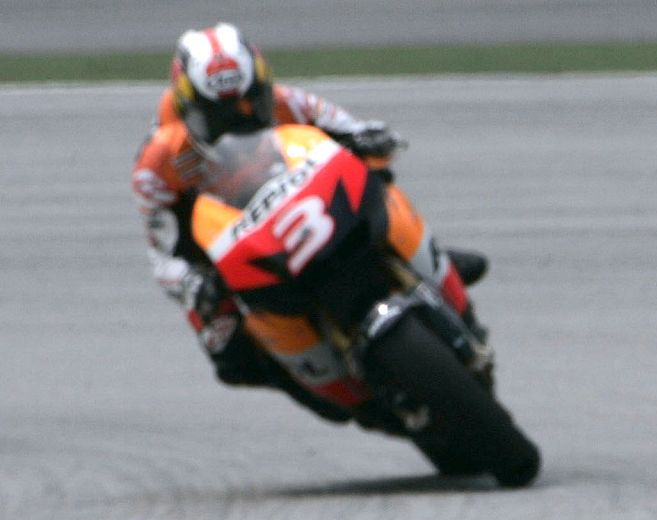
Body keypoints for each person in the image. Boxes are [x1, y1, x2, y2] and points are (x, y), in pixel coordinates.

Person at [131, 22, 489, 420]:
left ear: (264, 87)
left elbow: (352, 131)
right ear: (188, 110)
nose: (242, 117)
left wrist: (372, 138)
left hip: (307, 205)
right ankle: (309, 382)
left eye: (252, 103)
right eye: (220, 116)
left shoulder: (288, 102)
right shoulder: (158, 161)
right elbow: (161, 253)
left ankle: (425, 260)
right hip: (228, 244)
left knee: (377, 183)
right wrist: (192, 282)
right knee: (228, 351)